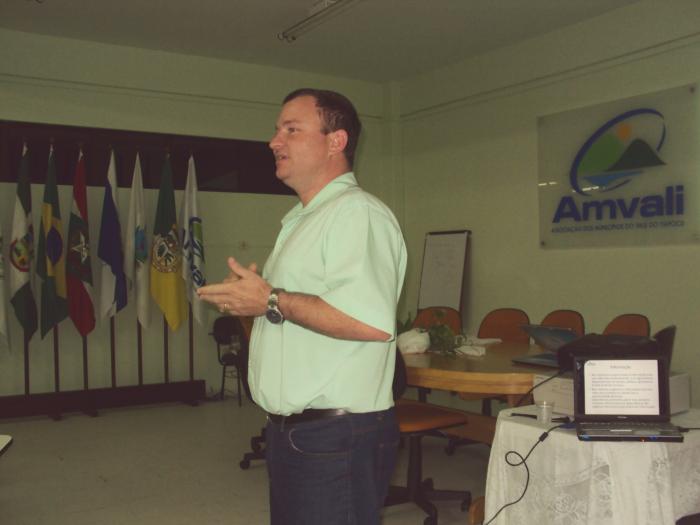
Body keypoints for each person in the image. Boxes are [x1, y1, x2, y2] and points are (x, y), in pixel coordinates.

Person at [197, 88, 407, 525]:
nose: (274, 141)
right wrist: (250, 309)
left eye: (291, 130)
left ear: (336, 141)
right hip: (295, 433)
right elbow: (283, 323)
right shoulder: (301, 221)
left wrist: (270, 298)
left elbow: (370, 323)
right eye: (277, 131)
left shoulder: (356, 214)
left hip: (336, 435)